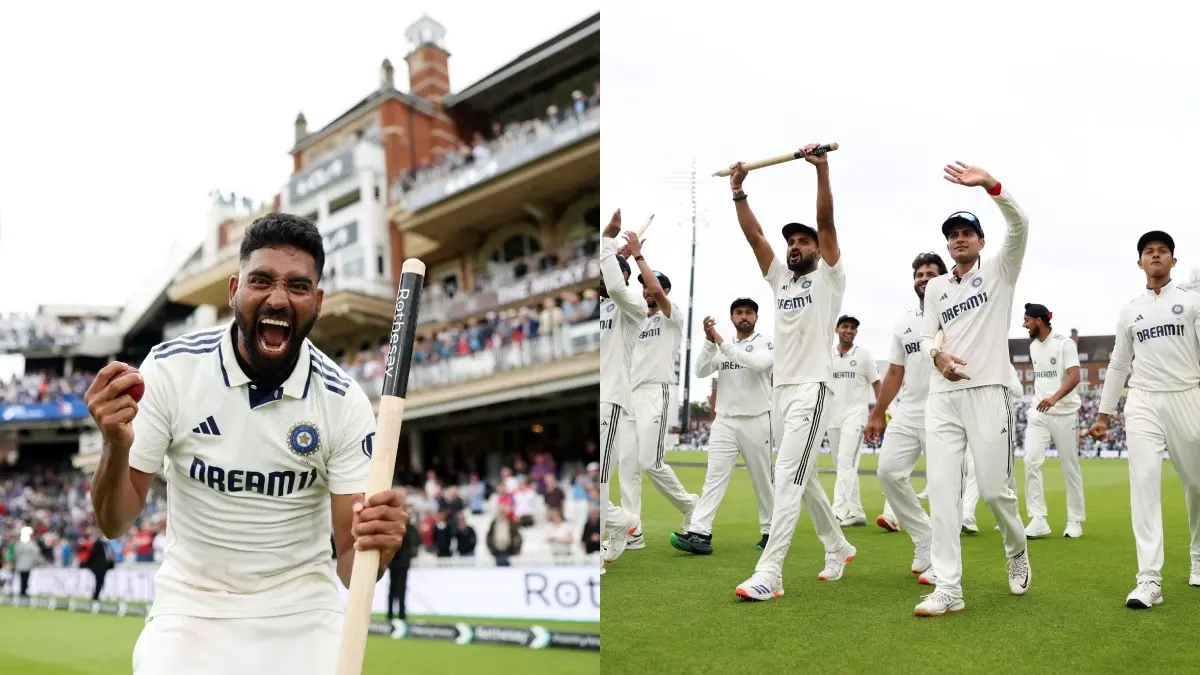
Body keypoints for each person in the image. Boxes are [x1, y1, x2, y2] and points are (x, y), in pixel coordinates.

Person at [84, 213, 411, 675]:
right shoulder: (171, 370)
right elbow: (114, 522)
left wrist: (379, 546)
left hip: (301, 613)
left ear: (317, 301)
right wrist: (115, 447)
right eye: (262, 280)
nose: (278, 297)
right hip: (192, 605)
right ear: (234, 289)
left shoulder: (342, 401)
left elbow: (348, 562)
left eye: (298, 286)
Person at [726, 144, 857, 601]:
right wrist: (739, 192)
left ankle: (770, 572)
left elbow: (827, 224)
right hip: (780, 390)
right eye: (792, 242)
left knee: (788, 476)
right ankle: (837, 545)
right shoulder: (780, 279)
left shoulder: (829, 280)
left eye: (803, 242)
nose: (795, 246)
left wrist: (821, 171)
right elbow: (755, 237)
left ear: (819, 250)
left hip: (812, 388)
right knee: (804, 478)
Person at [915, 161, 1031, 617]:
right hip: (942, 397)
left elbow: (1020, 225)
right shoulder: (937, 287)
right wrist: (936, 357)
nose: (958, 239)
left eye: (967, 233)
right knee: (942, 491)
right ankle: (949, 588)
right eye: (953, 234)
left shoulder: (1002, 270)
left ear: (981, 242)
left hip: (989, 390)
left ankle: (1016, 546)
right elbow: (929, 336)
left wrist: (991, 186)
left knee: (992, 489)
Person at [1088, 230, 1200, 610]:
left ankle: (1198, 557)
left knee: (1197, 483)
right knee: (1145, 484)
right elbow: (1119, 363)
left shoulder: (1191, 303)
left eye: (1162, 251)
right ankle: (1148, 580)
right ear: (1139, 262)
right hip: (1143, 401)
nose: (1155, 256)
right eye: (1149, 252)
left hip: (1188, 394)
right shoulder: (1129, 310)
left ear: (1173, 260)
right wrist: (1103, 413)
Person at [867, 252, 948, 579]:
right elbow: (895, 372)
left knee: (943, 486)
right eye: (919, 274)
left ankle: (942, 563)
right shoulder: (904, 322)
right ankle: (923, 537)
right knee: (888, 472)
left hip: (945, 409)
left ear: (944, 276)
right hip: (909, 410)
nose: (924, 278)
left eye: (930, 273)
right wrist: (877, 413)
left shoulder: (957, 313)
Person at [671, 298, 774, 554]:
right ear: (732, 318)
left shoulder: (767, 342)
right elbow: (700, 371)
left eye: (749, 312)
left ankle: (772, 532)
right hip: (724, 421)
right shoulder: (722, 345)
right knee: (713, 478)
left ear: (756, 317)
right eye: (739, 313)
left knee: (762, 480)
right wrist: (708, 341)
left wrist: (720, 341)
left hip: (757, 419)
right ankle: (699, 533)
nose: (744, 317)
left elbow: (758, 364)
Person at [621, 232, 699, 538]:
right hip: (629, 395)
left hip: (656, 391)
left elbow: (653, 286)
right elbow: (616, 292)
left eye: (652, 287)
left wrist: (638, 255)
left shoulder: (672, 316)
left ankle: (689, 505)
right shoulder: (635, 318)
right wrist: (620, 258)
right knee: (628, 466)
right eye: (642, 288)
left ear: (665, 290)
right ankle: (632, 530)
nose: (646, 292)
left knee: (650, 463)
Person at [597, 209, 644, 568]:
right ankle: (622, 522)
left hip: (610, 399)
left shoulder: (632, 304)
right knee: (595, 483)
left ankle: (619, 523)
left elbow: (614, 284)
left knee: (597, 482)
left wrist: (608, 242)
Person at [1019, 302, 1085, 539]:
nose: (1024, 324)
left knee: (1070, 466)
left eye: (1026, 320)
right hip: (1039, 413)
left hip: (1064, 413)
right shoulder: (1033, 347)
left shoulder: (1065, 343)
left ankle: (1075, 520)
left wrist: (1054, 398)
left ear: (1038, 320)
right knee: (1030, 461)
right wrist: (1045, 401)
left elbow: (1075, 377)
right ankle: (1038, 518)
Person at [827, 315, 881, 527]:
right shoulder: (827, 355)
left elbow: (878, 384)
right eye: (845, 327)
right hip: (831, 418)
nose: (848, 331)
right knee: (842, 465)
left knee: (845, 463)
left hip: (855, 417)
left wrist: (878, 415)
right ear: (837, 330)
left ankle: (837, 511)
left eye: (852, 328)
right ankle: (856, 512)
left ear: (856, 332)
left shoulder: (864, 356)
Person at [386, 506, 421, 624]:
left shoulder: (410, 529)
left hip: (403, 563)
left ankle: (401, 615)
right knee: (392, 589)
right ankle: (390, 614)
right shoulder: (395, 528)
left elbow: (417, 541)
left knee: (401, 590)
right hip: (395, 562)